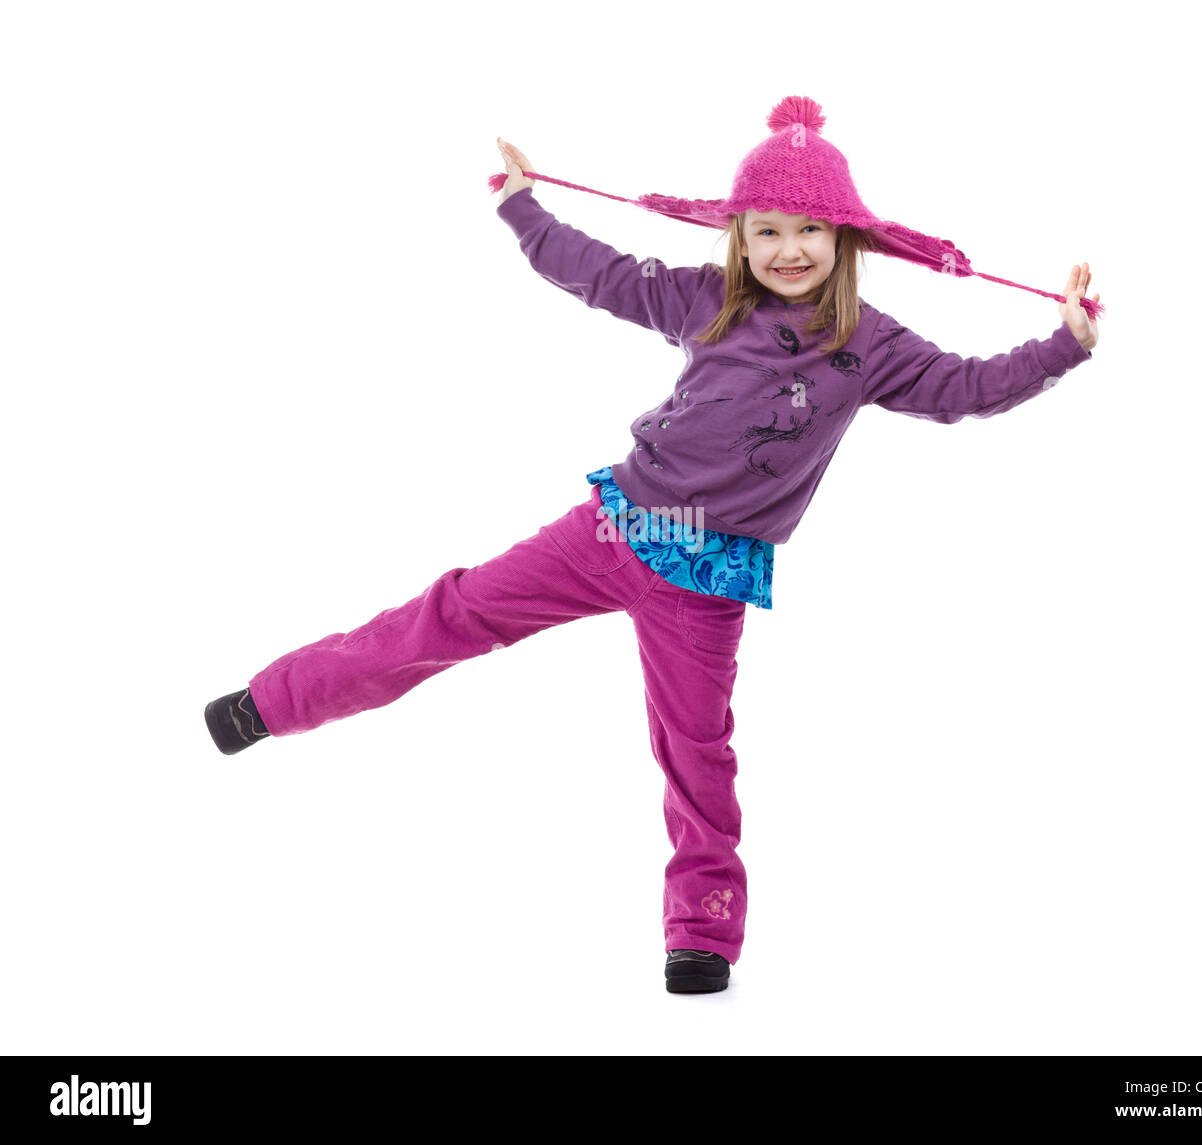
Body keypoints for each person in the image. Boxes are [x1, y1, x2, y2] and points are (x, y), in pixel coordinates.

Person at [205, 97, 1101, 995]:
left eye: (809, 231)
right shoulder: (703, 298)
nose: (787, 249)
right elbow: (599, 272)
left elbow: (971, 388)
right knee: (457, 610)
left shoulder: (868, 346)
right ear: (739, 239)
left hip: (704, 582)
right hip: (614, 528)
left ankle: (702, 933)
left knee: (695, 749)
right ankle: (271, 701)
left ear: (845, 239)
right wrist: (523, 204)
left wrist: (1062, 345)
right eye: (765, 232)